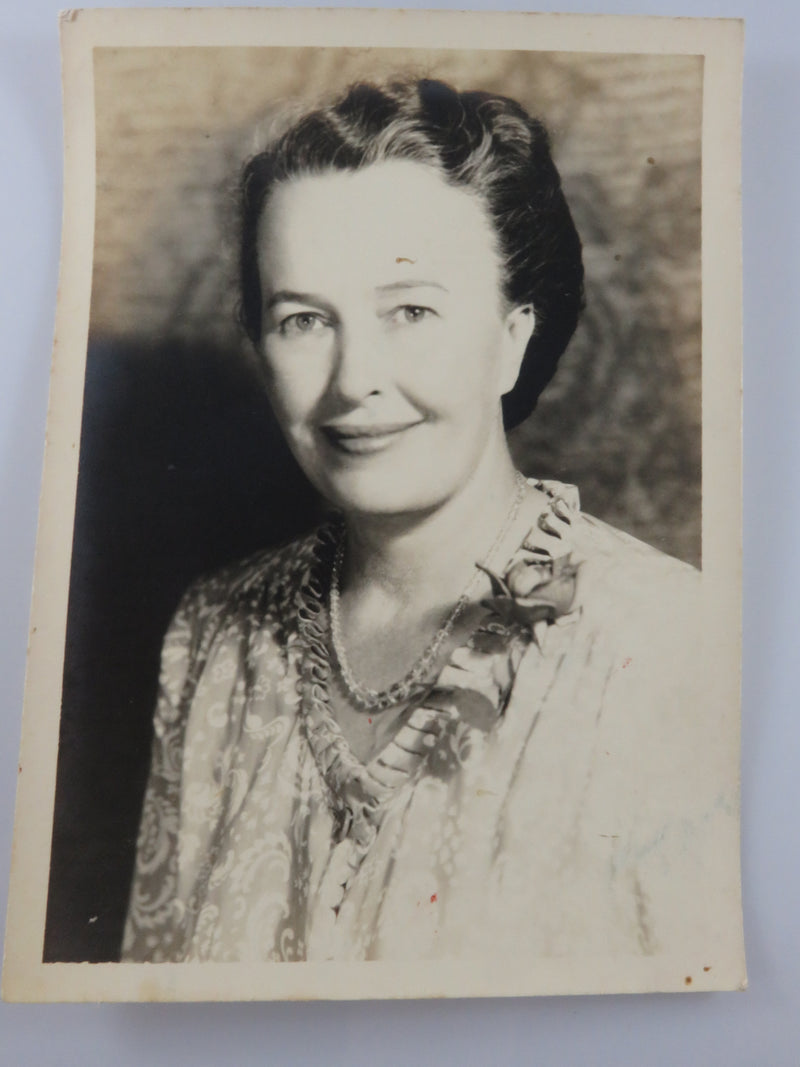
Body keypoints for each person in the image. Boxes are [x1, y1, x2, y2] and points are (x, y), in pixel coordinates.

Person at [122, 78, 719, 964]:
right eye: (303, 319)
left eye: (411, 310)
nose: (354, 377)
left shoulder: (671, 642)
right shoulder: (211, 636)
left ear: (513, 336)